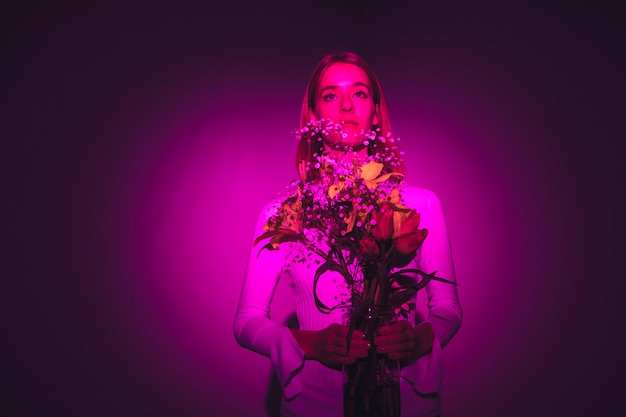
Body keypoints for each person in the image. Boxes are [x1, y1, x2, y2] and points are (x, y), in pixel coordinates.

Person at [233, 51, 462, 417]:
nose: (345, 106)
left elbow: (448, 309)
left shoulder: (421, 205)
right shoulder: (285, 214)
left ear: (374, 112)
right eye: (329, 96)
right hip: (314, 402)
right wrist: (311, 343)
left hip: (406, 400)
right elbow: (246, 322)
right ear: (313, 116)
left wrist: (418, 338)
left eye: (358, 94)